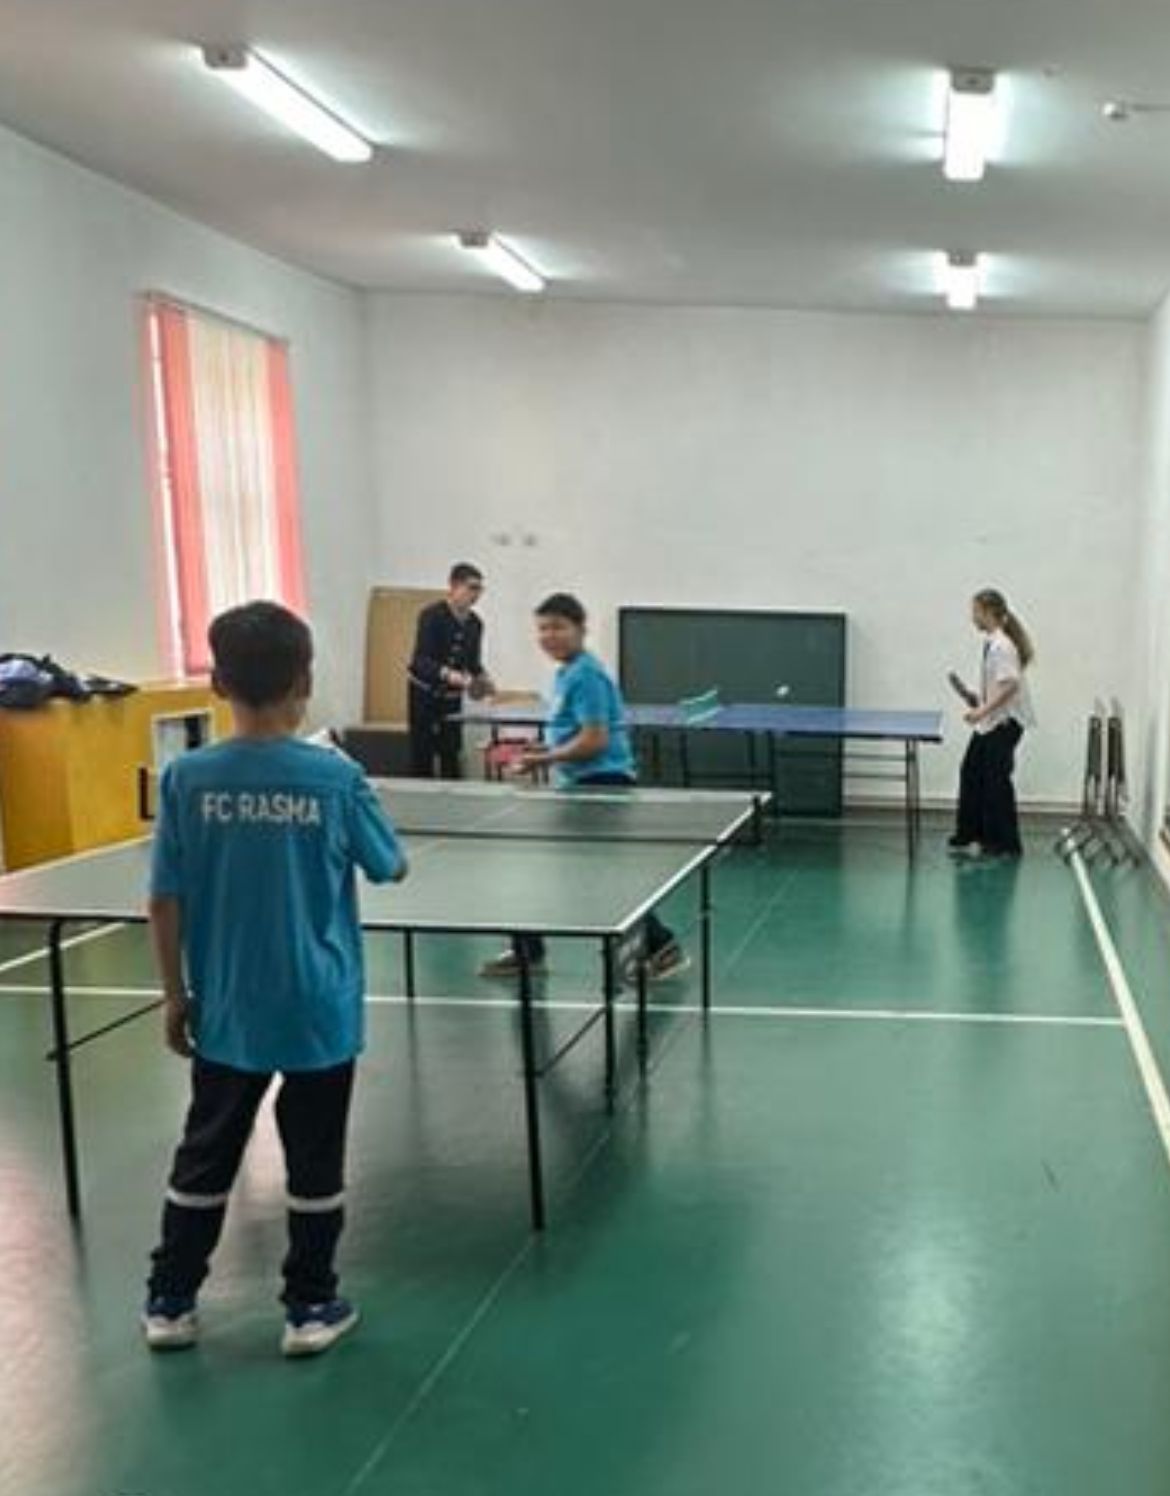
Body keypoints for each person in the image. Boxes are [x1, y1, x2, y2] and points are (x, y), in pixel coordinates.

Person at [142, 601, 407, 1358]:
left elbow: (163, 898)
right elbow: (390, 865)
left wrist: (175, 995)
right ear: (305, 680)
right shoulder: (336, 777)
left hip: (228, 1009)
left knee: (205, 1151)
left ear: (218, 683)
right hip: (320, 1011)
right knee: (315, 1159)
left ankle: (170, 1302)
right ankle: (310, 1308)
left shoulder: (185, 778)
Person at [479, 592, 688, 982]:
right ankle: (532, 950)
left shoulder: (586, 675)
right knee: (584, 873)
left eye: (558, 627)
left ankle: (659, 946)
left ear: (581, 629)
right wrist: (542, 750)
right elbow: (574, 735)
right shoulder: (565, 674)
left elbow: (595, 740)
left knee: (564, 870)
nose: (549, 636)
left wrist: (543, 760)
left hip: (602, 786)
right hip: (579, 785)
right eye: (543, 628)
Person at [947, 587, 1035, 859]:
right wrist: (974, 698)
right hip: (992, 721)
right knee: (972, 771)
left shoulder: (1002, 646)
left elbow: (1010, 686)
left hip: (1005, 724)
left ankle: (1006, 843)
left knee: (996, 781)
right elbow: (999, 687)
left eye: (975, 611)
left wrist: (982, 711)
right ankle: (971, 833)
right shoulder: (992, 643)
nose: (972, 617)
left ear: (987, 612)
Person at [408, 563, 493, 778]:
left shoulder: (476, 624)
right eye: (471, 588)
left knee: (451, 751)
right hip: (424, 694)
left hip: (451, 698)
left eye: (479, 589)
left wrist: (484, 678)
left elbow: (473, 663)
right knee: (422, 753)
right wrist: (449, 674)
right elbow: (421, 660)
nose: (476, 595)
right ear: (454, 586)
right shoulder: (431, 615)